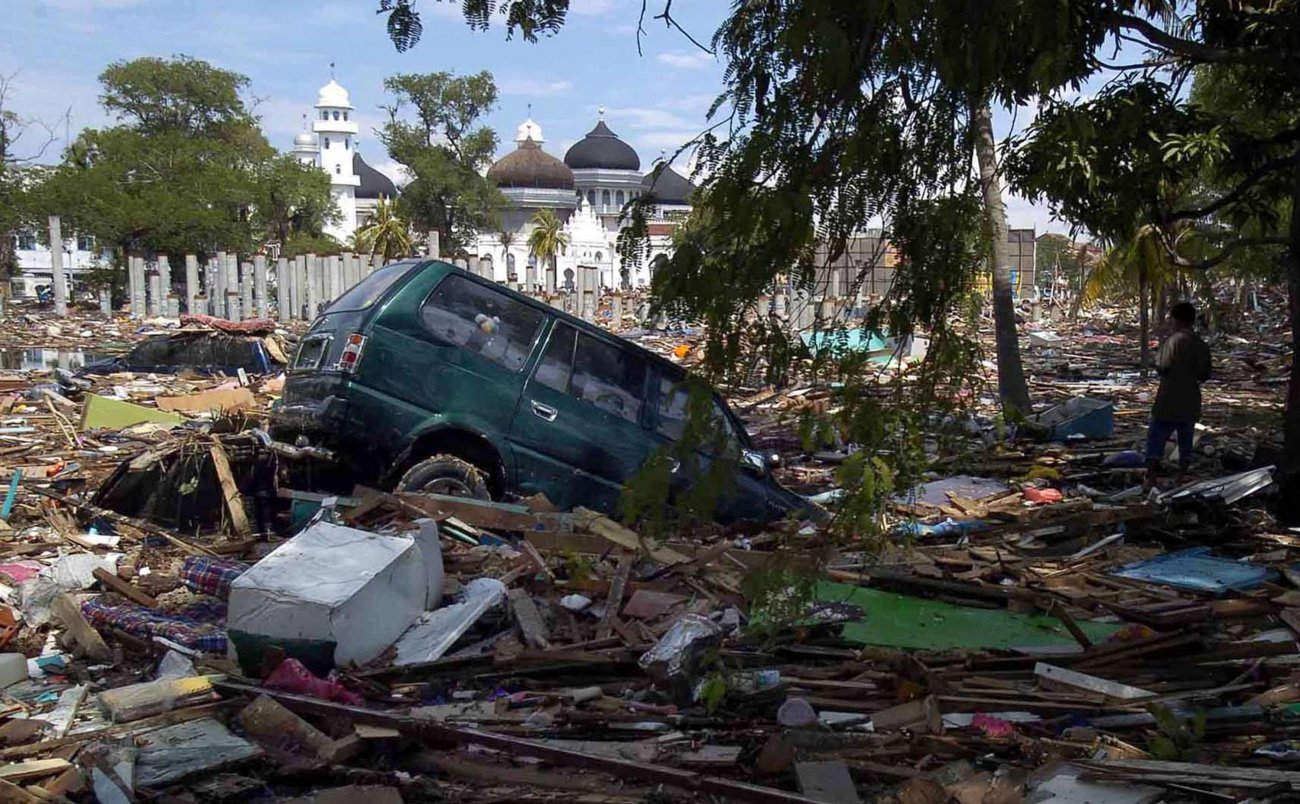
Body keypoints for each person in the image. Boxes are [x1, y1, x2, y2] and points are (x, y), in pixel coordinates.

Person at [1146, 301, 1212, 484]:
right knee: (1186, 438)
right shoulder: (1201, 344)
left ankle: (1151, 475)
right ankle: (1181, 476)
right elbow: (1205, 374)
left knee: (1157, 436)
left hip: (1169, 397)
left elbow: (1162, 365)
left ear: (1176, 320)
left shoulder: (1173, 341)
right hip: (1191, 399)